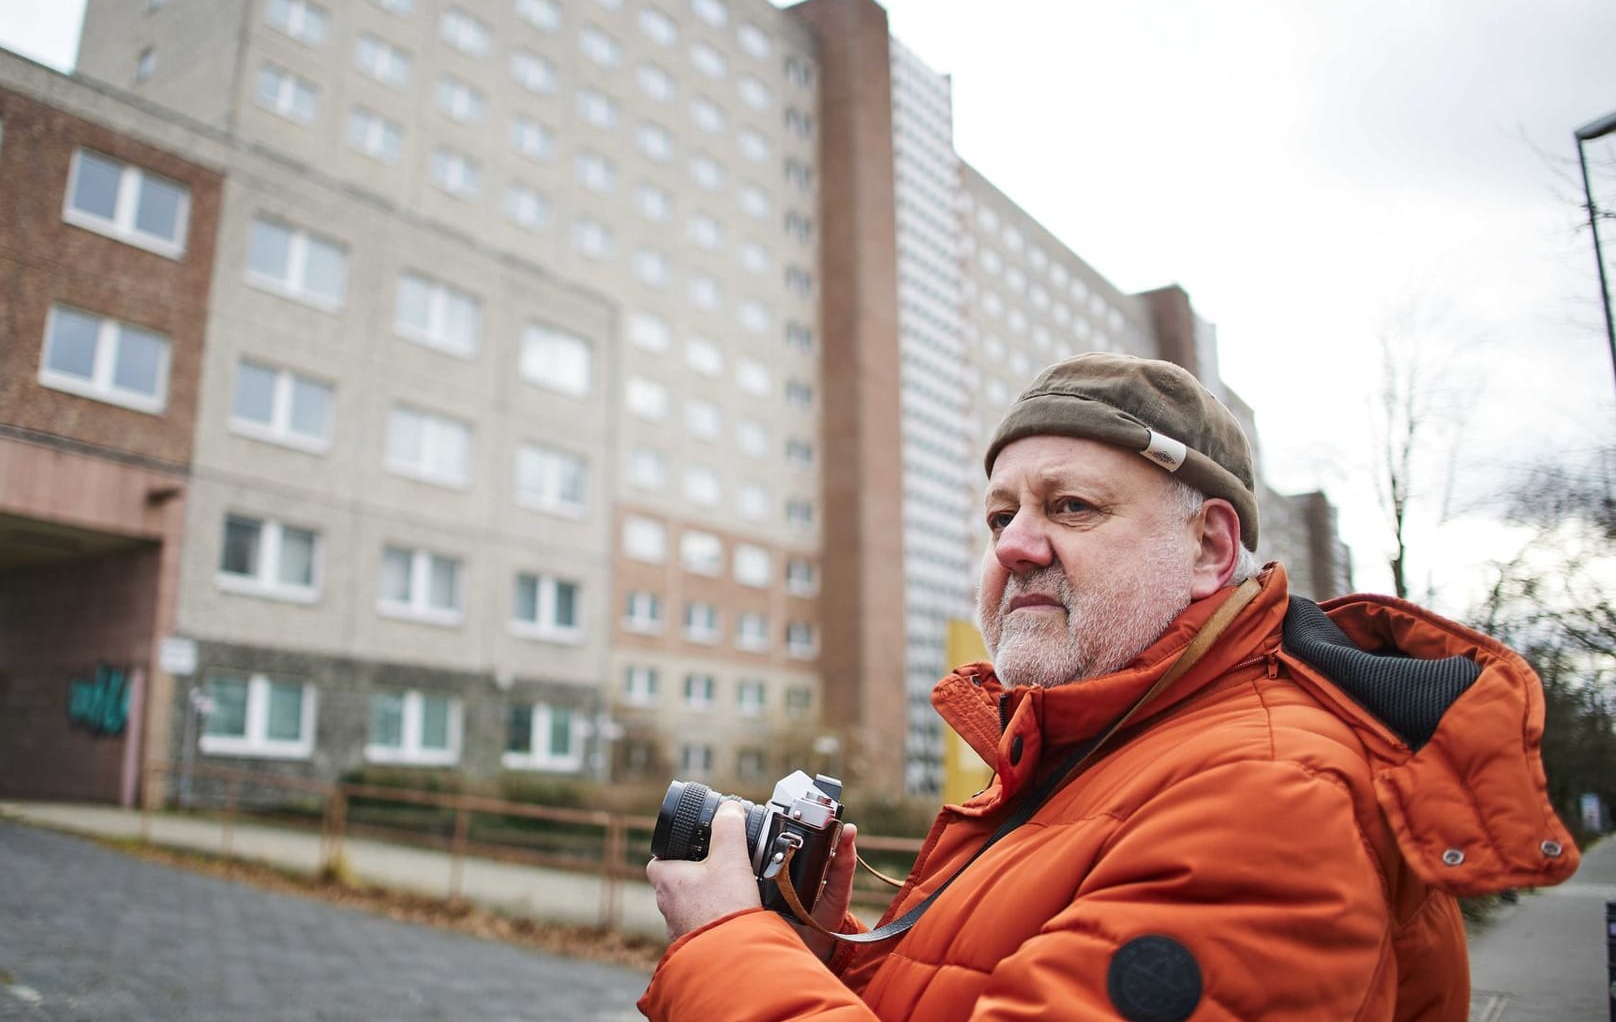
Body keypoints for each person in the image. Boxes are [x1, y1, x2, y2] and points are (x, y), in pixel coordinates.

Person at [641, 353, 1579, 1021]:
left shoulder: (1269, 791)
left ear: (1210, 546)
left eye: (1072, 507)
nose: (1014, 544)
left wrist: (728, 950)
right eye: (1000, 514)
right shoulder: (1091, 755)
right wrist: (820, 953)